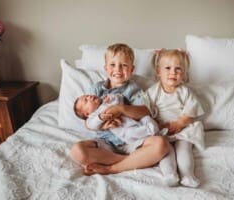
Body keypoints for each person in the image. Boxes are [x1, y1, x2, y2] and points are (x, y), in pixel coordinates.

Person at [70, 43, 170, 175]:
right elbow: (87, 119)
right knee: (77, 151)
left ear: (131, 69)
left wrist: (120, 109)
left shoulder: (133, 89)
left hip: (132, 141)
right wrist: (102, 125)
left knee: (161, 144)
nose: (118, 69)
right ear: (105, 68)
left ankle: (111, 168)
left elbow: (145, 111)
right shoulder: (96, 89)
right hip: (106, 143)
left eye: (124, 65)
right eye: (112, 65)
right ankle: (131, 161)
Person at [143, 49, 205, 187]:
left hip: (182, 130)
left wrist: (179, 124)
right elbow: (145, 109)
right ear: (158, 71)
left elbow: (191, 111)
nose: (173, 72)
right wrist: (156, 123)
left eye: (178, 69)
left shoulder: (185, 91)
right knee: (166, 152)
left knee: (184, 149)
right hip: (162, 131)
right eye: (168, 68)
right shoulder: (154, 91)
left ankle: (188, 175)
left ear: (183, 74)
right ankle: (170, 174)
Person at [74, 93, 160, 144]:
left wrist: (112, 97)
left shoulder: (105, 99)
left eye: (88, 95)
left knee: (146, 118)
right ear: (87, 113)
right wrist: (99, 118)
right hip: (124, 132)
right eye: (86, 100)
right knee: (131, 133)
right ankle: (150, 130)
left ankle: (152, 127)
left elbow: (120, 99)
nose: (89, 97)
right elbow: (91, 125)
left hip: (134, 120)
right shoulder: (94, 116)